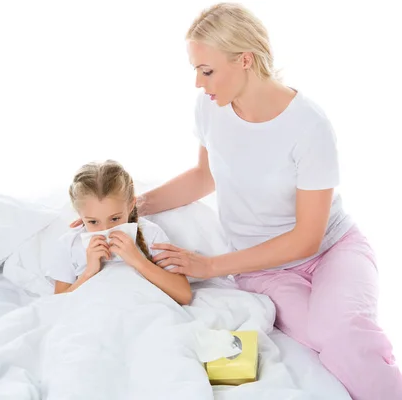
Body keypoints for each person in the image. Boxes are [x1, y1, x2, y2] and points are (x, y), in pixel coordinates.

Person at [67, 3, 400, 399]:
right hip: (263, 269)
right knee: (323, 338)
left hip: (333, 250)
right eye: (195, 70)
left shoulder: (309, 126)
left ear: (245, 60)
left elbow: (308, 238)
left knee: (342, 333)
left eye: (206, 71)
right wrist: (126, 210)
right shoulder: (211, 109)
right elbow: (205, 177)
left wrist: (209, 266)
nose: (197, 83)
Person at [47, 160, 192, 305]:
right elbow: (58, 304)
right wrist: (89, 272)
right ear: (80, 214)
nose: (106, 229)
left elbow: (184, 295)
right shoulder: (70, 244)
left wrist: (137, 260)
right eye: (93, 222)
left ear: (130, 206)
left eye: (115, 218)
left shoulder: (150, 234)